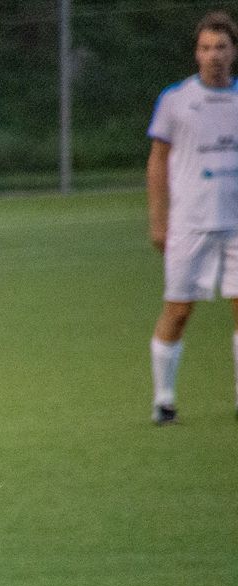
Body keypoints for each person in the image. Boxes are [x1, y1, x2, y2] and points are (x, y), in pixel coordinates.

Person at [147, 10, 238, 425]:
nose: (213, 55)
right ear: (196, 53)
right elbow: (157, 162)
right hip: (190, 223)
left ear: (233, 52)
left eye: (221, 47)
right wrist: (158, 219)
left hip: (235, 223)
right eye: (205, 48)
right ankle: (164, 401)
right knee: (179, 309)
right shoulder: (176, 100)